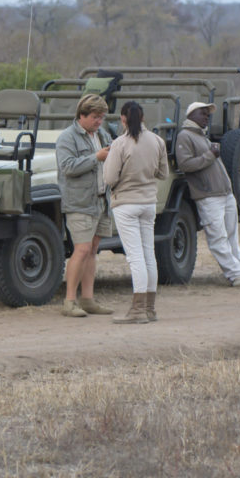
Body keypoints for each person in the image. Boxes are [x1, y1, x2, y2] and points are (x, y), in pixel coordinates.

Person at [103, 101, 169, 324]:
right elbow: (163, 173)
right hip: (148, 203)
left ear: (123, 119)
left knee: (135, 257)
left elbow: (109, 178)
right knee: (148, 253)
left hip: (126, 204)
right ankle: (150, 308)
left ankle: (138, 310)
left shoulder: (120, 144)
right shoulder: (158, 141)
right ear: (142, 118)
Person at [174, 102, 240, 287]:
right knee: (218, 238)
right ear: (191, 114)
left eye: (208, 114)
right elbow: (185, 165)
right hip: (208, 196)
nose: (207, 117)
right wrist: (210, 155)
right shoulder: (185, 136)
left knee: (231, 236)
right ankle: (235, 274)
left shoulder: (202, 135)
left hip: (225, 194)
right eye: (203, 113)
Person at [56, 93, 114, 317]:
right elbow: (67, 167)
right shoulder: (67, 138)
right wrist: (96, 157)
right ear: (82, 115)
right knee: (80, 250)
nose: (99, 121)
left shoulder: (103, 134)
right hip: (79, 202)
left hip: (101, 200)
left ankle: (88, 299)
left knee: (92, 250)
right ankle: (69, 301)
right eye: (95, 117)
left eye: (101, 117)